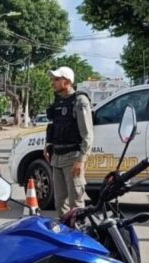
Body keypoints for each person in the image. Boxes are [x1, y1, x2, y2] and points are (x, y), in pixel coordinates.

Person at [44, 66, 93, 217]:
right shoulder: (57, 101)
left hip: (72, 158)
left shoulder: (79, 101)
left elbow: (87, 134)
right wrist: (48, 145)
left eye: (57, 79)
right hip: (56, 158)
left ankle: (78, 236)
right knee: (60, 204)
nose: (53, 82)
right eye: (53, 79)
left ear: (67, 82)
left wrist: (81, 160)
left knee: (76, 204)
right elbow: (54, 126)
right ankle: (65, 235)